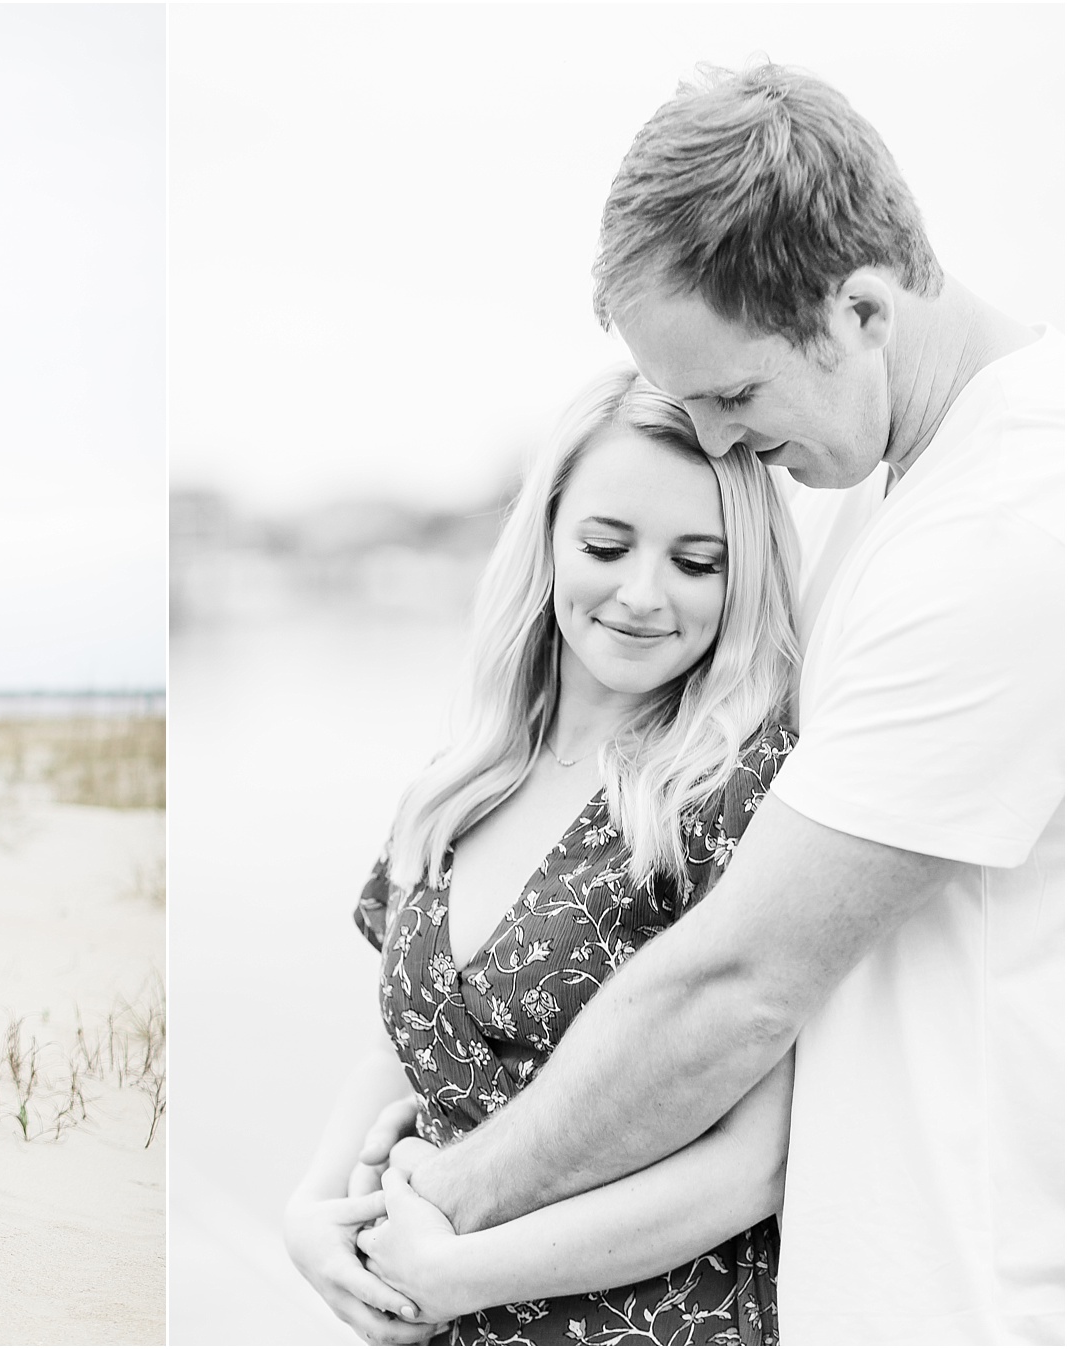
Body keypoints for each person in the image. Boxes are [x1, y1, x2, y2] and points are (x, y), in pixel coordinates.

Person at [367, 63, 1063, 1345]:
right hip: (861, 1280)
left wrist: (451, 1202)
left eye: (736, 397)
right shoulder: (887, 492)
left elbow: (737, 976)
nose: (728, 448)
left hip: (975, 1291)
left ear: (863, 305)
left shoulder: (1018, 524)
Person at [286, 365, 802, 1344]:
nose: (644, 595)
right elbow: (415, 1051)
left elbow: (757, 1159)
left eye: (700, 562)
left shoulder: (741, 786)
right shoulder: (457, 780)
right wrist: (310, 1212)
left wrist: (460, 1271)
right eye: (608, 545)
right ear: (549, 535)